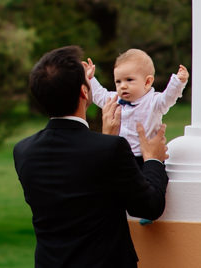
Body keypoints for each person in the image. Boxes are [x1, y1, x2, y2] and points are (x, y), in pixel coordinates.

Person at [13, 45, 169, 268]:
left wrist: (108, 139)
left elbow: (78, 190)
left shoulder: (23, 151)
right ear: (85, 93)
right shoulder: (109, 149)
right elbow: (148, 207)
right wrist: (153, 159)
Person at [85, 49, 188, 164]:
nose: (123, 86)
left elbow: (168, 97)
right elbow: (99, 95)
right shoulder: (115, 100)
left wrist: (178, 82)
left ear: (147, 82)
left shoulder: (154, 102)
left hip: (146, 157)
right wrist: (90, 79)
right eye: (118, 82)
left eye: (129, 80)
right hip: (122, 155)